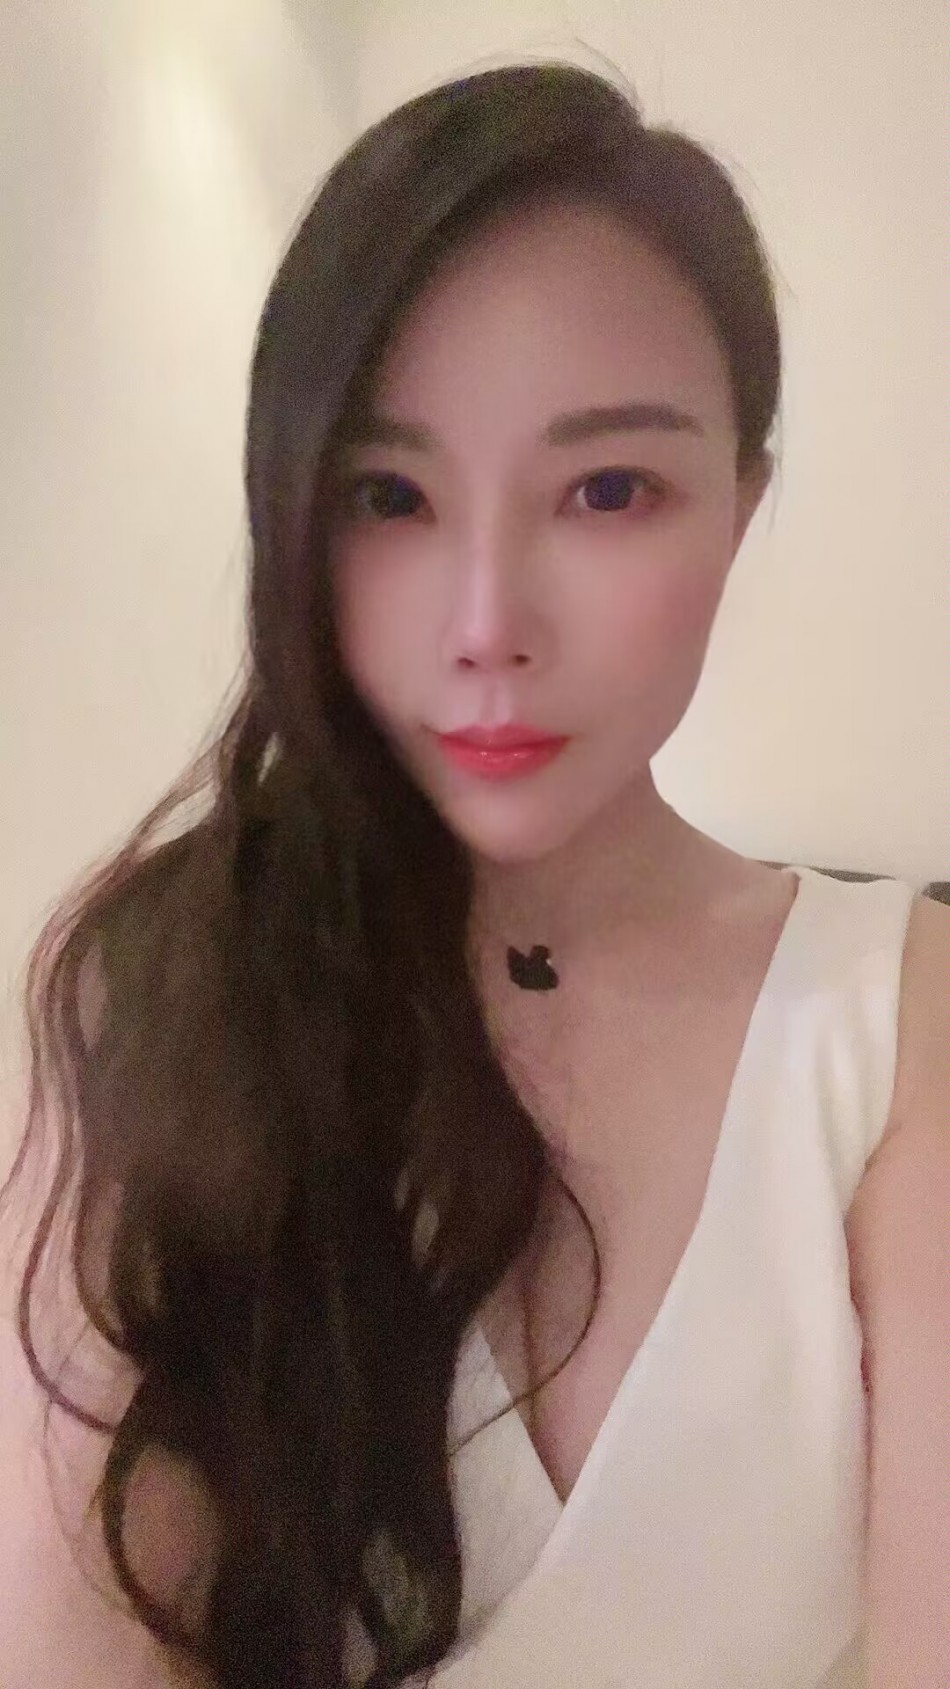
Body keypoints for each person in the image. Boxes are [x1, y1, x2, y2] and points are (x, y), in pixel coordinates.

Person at [1, 59, 948, 1689]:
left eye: (606, 490)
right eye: (390, 497)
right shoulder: (166, 986)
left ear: (740, 505)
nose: (485, 621)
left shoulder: (895, 1021)